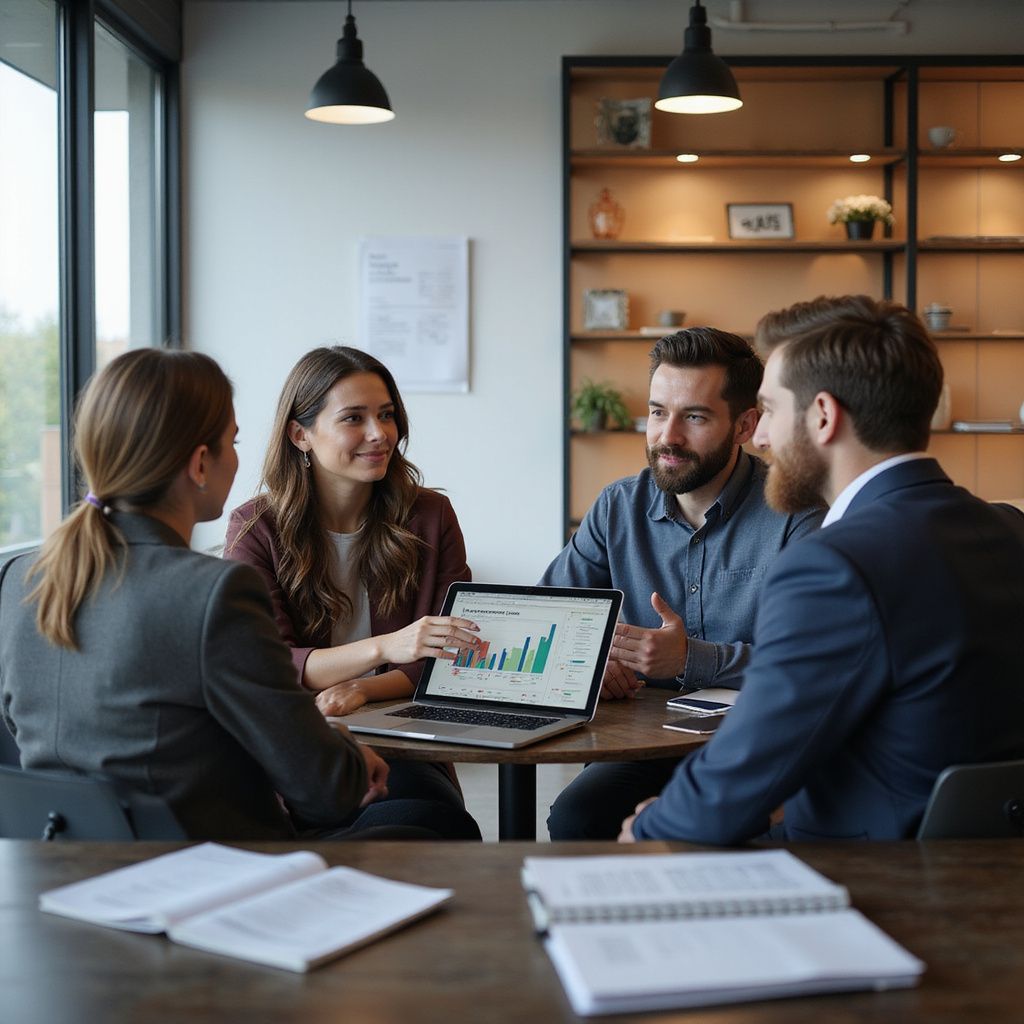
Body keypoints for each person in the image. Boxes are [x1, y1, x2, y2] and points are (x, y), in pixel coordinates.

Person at [0, 349, 470, 841]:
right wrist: (343, 756)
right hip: (211, 872)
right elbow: (324, 789)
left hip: (63, 867)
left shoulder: (18, 578)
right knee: (438, 828)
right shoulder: (213, 590)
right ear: (202, 464)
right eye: (233, 440)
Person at [621, 294, 1024, 844]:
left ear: (824, 417)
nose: (758, 436)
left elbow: (744, 772)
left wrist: (647, 829)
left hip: (867, 880)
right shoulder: (1009, 529)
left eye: (770, 412)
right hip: (986, 864)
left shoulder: (834, 566)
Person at [543, 328, 823, 839]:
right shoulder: (617, 507)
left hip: (757, 747)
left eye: (693, 416)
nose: (667, 436)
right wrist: (588, 659)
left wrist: (690, 659)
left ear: (745, 425)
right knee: (577, 819)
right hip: (641, 746)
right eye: (656, 412)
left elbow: (813, 664)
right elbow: (549, 617)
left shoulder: (796, 514)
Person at [225, 346, 480, 834]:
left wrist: (362, 688)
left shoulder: (430, 516)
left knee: (443, 825)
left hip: (405, 743)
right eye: (353, 418)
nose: (379, 434)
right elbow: (274, 666)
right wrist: (385, 646)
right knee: (412, 828)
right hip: (301, 745)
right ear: (301, 435)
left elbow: (445, 656)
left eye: (386, 415)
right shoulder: (255, 529)